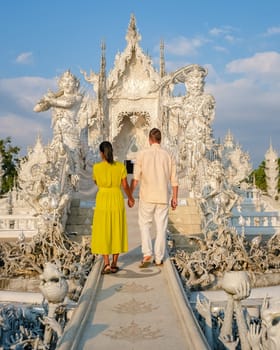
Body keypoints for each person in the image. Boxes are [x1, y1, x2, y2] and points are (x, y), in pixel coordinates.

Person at [130, 128, 178, 267]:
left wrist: (130, 195)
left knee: (145, 225)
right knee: (161, 228)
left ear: (150, 140)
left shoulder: (142, 154)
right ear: (160, 140)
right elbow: (174, 179)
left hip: (147, 196)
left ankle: (147, 253)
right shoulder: (168, 155)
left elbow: (136, 178)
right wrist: (174, 198)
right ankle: (158, 258)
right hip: (162, 197)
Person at [91, 141, 135, 274]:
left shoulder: (96, 168)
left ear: (101, 153)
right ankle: (115, 263)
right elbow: (125, 186)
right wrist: (131, 198)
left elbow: (96, 182)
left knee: (103, 230)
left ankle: (107, 264)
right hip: (116, 198)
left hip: (103, 198)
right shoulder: (120, 167)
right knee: (117, 228)